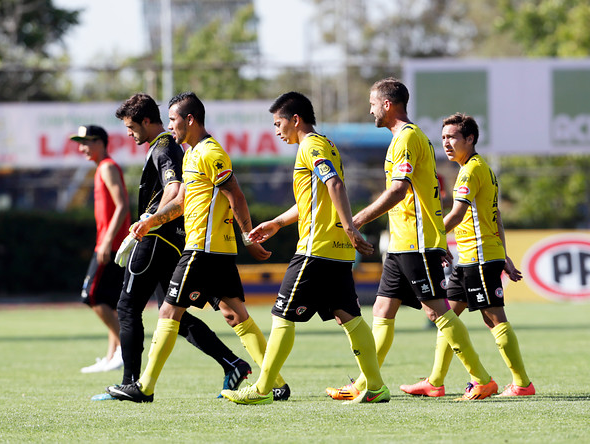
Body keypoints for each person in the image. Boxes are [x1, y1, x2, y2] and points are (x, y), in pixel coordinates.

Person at [106, 92, 289, 403]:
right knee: (235, 315)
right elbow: (180, 202)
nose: (170, 126)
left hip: (201, 249)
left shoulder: (210, 152)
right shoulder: (190, 154)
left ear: (189, 120)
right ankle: (277, 382)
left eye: (174, 120)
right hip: (214, 250)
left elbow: (236, 194)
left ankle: (144, 387)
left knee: (168, 311)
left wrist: (248, 237)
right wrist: (150, 221)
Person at [325, 78, 498, 401]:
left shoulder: (407, 138)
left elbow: (399, 190)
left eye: (373, 103)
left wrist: (357, 219)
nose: (370, 109)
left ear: (388, 105)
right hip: (405, 241)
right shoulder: (405, 138)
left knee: (437, 312)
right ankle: (368, 384)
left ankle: (482, 379)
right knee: (382, 308)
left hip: (415, 241)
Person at [221, 91, 387, 405]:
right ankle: (376, 386)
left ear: (295, 120)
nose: (276, 130)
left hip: (315, 249)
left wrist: (351, 227)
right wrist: (278, 223)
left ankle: (262, 389)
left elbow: (334, 184)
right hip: (335, 250)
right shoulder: (324, 144)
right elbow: (312, 200)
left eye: (278, 123)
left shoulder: (310, 145)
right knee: (350, 316)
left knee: (282, 316)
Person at [400, 113, 535, 397]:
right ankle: (435, 382)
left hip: (481, 255)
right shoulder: (478, 168)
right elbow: (495, 217)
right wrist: (506, 255)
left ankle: (522, 384)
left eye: (453, 138)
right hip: (471, 257)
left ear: (470, 139)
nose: (446, 143)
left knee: (493, 318)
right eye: (444, 138)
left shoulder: (472, 170)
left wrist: (433, 241)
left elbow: (458, 213)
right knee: (445, 317)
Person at [72, 125, 129, 373]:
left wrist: (106, 241)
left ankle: (125, 350)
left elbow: (122, 206)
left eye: (85, 142)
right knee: (108, 301)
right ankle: (112, 357)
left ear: (100, 142)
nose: (81, 148)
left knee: (92, 297)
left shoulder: (107, 166)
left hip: (110, 245)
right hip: (109, 243)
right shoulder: (101, 168)